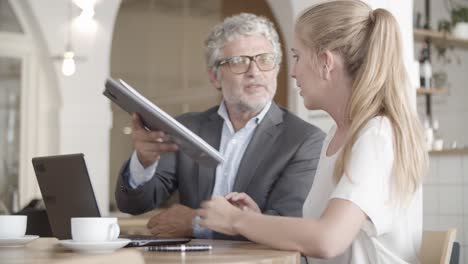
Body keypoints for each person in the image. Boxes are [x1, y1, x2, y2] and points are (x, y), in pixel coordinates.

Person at [197, 1, 428, 263]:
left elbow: (327, 240)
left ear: (326, 62)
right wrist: (256, 219)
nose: (293, 72)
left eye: (297, 57)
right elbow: (319, 234)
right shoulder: (336, 135)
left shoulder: (377, 135)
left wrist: (237, 220)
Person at [115, 13, 325, 240]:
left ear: (276, 68)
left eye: (264, 59)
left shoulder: (304, 140)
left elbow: (288, 224)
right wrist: (143, 163)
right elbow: (134, 204)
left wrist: (196, 224)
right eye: (239, 62)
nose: (254, 72)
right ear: (215, 77)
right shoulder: (188, 128)